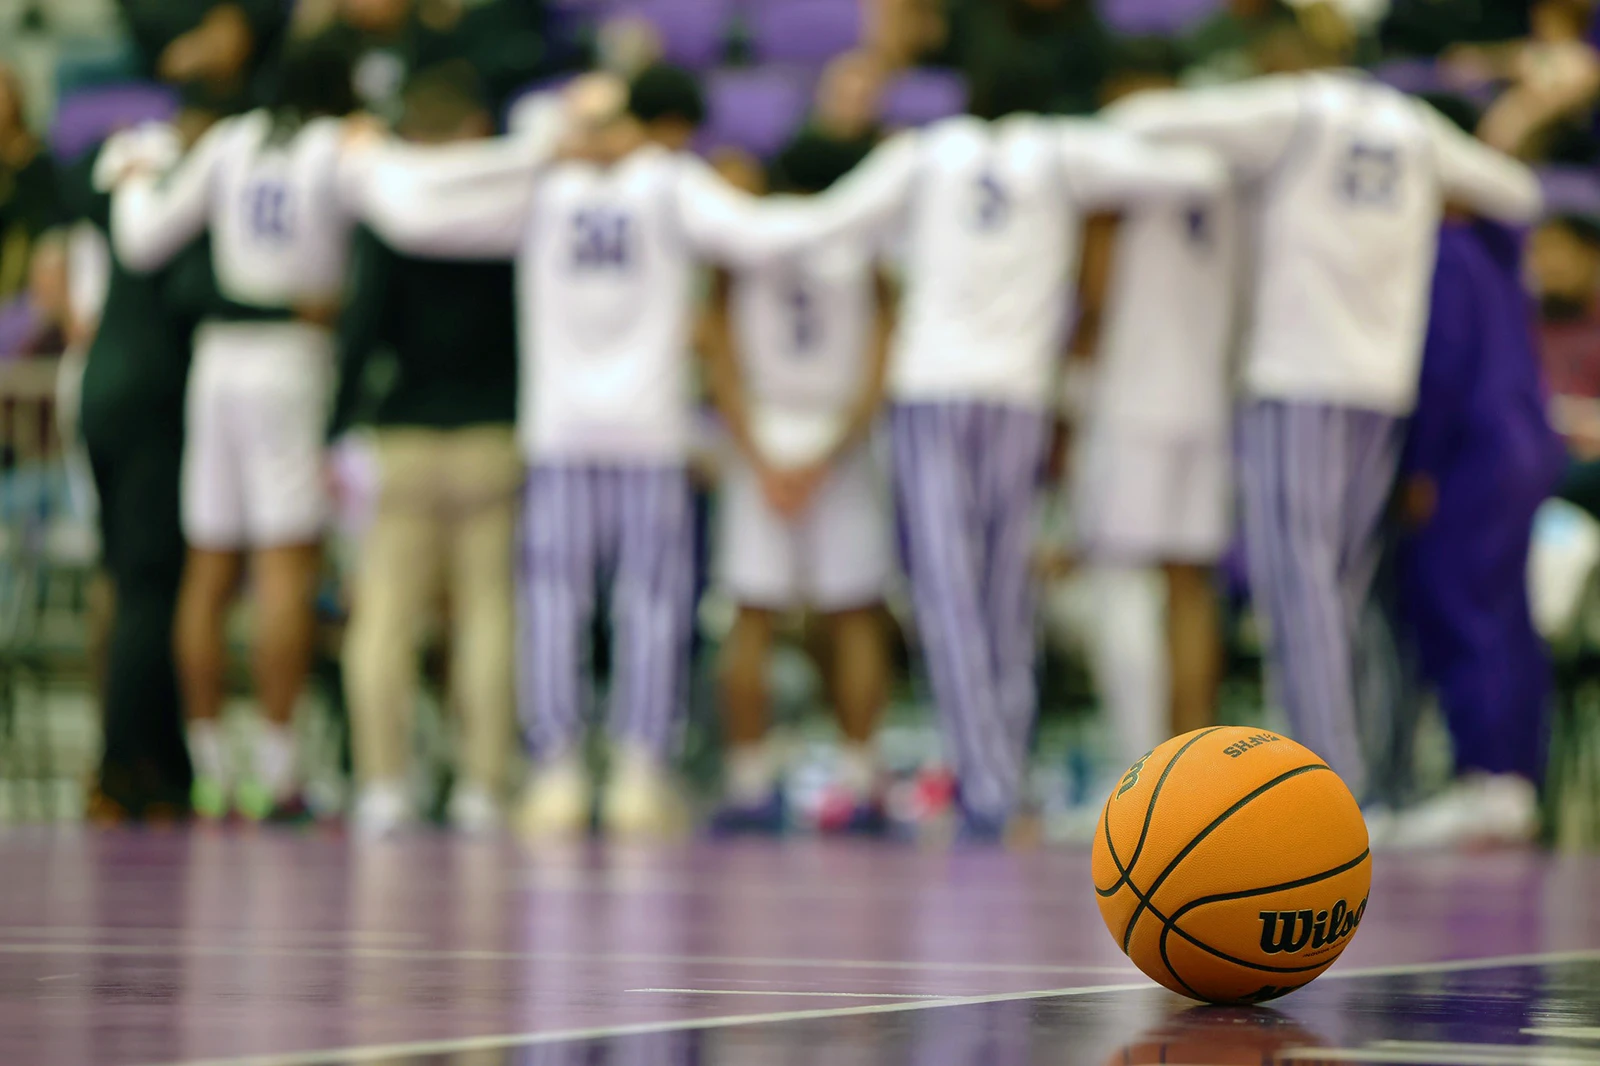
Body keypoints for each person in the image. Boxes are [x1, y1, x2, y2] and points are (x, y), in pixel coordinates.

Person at [348, 65, 821, 838]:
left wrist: (374, 162)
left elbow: (417, 216)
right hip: (633, 433)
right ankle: (620, 769)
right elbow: (762, 234)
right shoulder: (661, 181)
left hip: (575, 431)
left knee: (563, 606)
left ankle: (571, 768)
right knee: (639, 606)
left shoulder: (549, 185)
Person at [763, 67, 1226, 838]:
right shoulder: (1061, 149)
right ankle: (998, 774)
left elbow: (822, 226)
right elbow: (1192, 172)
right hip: (1015, 393)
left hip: (935, 389)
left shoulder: (923, 152)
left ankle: (989, 784)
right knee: (1001, 596)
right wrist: (1155, 115)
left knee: (952, 594)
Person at [1109, 22, 1543, 803]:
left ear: (1283, 55)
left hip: (1299, 378)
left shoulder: (1298, 108)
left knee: (1300, 592)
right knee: (1351, 592)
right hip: (1380, 387)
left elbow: (1142, 120)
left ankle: (1325, 795)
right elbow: (1518, 193)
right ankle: (1380, 782)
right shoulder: (1412, 127)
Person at [109, 44, 360, 821]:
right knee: (285, 565)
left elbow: (142, 240)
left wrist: (131, 181)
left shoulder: (228, 141)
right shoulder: (337, 147)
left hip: (217, 362)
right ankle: (279, 771)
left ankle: (215, 770)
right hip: (292, 354)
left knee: (210, 566)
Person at [330, 64, 523, 838]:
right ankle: (482, 786)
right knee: (487, 616)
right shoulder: (509, 211)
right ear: (476, 130)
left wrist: (334, 425)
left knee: (384, 618)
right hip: (490, 431)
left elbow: (360, 327)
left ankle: (384, 785)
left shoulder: (390, 212)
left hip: (405, 430)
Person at [702, 132, 895, 835]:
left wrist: (755, 452)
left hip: (765, 431)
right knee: (854, 613)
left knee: (751, 614)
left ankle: (749, 780)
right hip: (836, 438)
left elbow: (717, 348)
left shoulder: (745, 242)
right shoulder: (861, 248)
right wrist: (835, 448)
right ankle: (861, 776)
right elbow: (882, 352)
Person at [1070, 53, 1240, 773]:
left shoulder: (1119, 179)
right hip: (1207, 396)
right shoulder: (1230, 172)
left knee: (1120, 581)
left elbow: (1096, 291)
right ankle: (1192, 762)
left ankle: (1135, 769)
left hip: (1132, 399)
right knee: (1188, 585)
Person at [1389, 213, 1566, 848]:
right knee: (1507, 617)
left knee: (1464, 609)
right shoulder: (1499, 250)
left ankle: (1489, 778)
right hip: (1521, 441)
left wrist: (1421, 463)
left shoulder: (1445, 249)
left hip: (1472, 452)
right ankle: (1516, 779)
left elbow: (1442, 356)